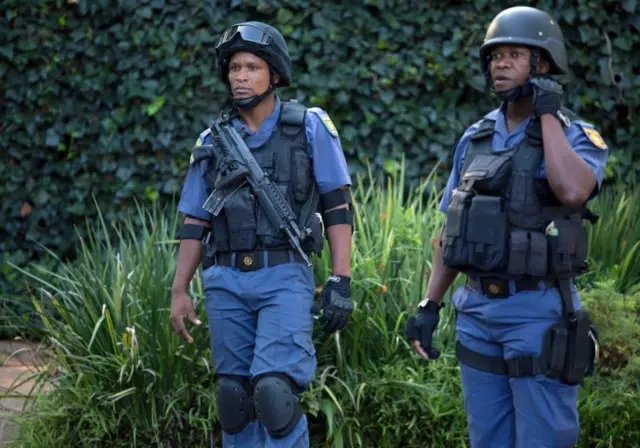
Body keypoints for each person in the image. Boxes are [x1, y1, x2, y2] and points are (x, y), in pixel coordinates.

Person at [404, 6, 609, 448]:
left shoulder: (577, 134)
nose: (500, 63)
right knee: (487, 440)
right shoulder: (475, 136)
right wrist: (430, 304)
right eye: (495, 55)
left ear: (544, 64)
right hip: (477, 312)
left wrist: (548, 115)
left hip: (537, 312)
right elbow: (451, 230)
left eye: (515, 54)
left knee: (542, 440)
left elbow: (573, 190)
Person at [169, 21, 354, 447]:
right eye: (234, 67)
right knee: (233, 400)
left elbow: (338, 205)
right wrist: (180, 289)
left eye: (252, 67)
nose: (240, 76)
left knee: (275, 394)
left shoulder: (309, 126)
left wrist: (340, 278)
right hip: (224, 280)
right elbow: (194, 221)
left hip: (283, 275)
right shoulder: (211, 140)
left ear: (274, 74)